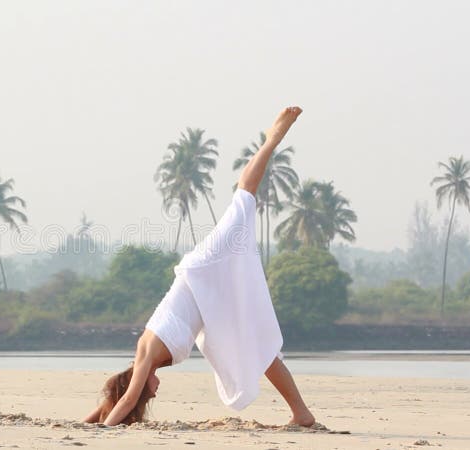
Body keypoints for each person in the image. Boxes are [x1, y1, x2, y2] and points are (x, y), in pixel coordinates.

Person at [83, 106, 315, 427]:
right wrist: (86, 425)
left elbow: (126, 397)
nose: (155, 392)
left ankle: (271, 141)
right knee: (254, 344)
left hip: (206, 269)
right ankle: (302, 413)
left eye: (149, 393)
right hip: (210, 299)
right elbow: (118, 396)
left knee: (243, 199)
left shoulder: (146, 357)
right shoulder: (144, 365)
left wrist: (105, 430)